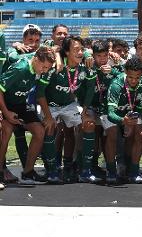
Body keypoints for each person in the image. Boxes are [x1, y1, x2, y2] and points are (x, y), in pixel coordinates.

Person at [37, 36, 97, 183]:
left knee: (89, 123)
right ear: (67, 52)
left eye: (82, 50)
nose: (80, 53)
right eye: (76, 50)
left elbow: (90, 90)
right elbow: (40, 93)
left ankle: (85, 170)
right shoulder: (54, 66)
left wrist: (84, 111)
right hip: (49, 104)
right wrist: (49, 116)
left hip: (69, 105)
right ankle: (52, 170)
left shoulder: (86, 66)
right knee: (49, 126)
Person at [0, 46, 56, 186]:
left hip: (21, 104)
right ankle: (0, 172)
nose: (44, 71)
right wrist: (6, 113)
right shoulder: (20, 69)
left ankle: (28, 172)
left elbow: (53, 47)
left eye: (47, 68)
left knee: (39, 131)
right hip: (5, 103)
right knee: (6, 133)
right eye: (43, 67)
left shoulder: (39, 65)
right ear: (36, 59)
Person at [107, 56, 142, 184]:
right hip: (114, 114)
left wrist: (131, 124)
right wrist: (123, 121)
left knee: (139, 134)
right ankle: (111, 171)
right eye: (130, 77)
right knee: (112, 133)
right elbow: (110, 114)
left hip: (131, 115)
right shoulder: (116, 85)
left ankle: (134, 172)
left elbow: (141, 110)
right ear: (125, 71)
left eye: (137, 77)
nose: (133, 81)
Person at [87, 40, 122, 184]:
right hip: (90, 106)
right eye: (98, 55)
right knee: (92, 133)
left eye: (105, 55)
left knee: (111, 133)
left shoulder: (113, 65)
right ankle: (90, 166)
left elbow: (124, 77)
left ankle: (111, 169)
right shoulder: (88, 64)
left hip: (106, 109)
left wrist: (113, 71)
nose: (102, 58)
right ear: (93, 55)